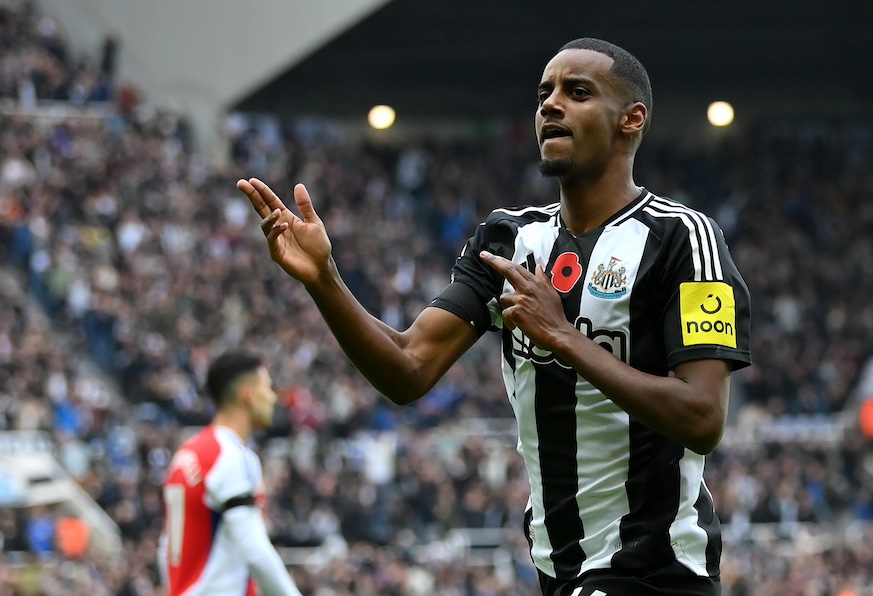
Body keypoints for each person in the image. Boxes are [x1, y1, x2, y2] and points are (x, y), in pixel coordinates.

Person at [238, 37, 751, 596]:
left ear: (632, 119)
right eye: (543, 94)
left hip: (656, 569)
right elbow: (408, 369)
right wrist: (325, 279)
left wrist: (562, 337)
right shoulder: (509, 239)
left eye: (577, 92)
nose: (550, 105)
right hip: (558, 570)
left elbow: (703, 418)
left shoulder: (684, 238)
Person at [159, 350, 301, 595]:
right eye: (267, 388)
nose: (273, 397)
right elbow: (255, 550)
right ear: (247, 394)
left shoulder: (188, 452)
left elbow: (165, 547)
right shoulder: (230, 456)